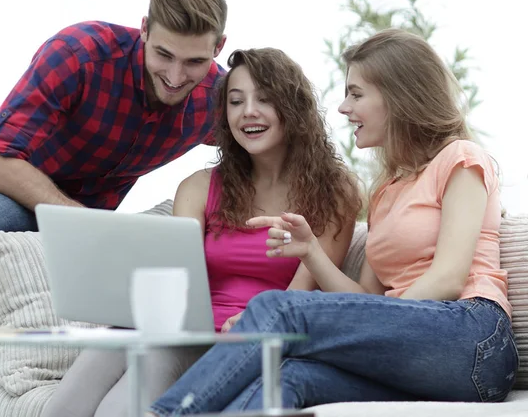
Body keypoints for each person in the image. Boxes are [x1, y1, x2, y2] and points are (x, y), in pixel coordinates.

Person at [147, 29, 519, 415]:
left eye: (356, 94)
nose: (343, 108)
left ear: (398, 95)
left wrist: (368, 322)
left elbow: (449, 278)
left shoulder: (461, 158)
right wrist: (312, 253)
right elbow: (366, 302)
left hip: (472, 338)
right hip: (410, 348)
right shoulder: (385, 191)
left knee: (278, 310)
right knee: (287, 377)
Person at [41, 47, 362, 417]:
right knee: (100, 357)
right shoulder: (198, 187)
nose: (248, 112)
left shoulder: (335, 191)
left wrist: (255, 319)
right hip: (188, 330)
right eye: (236, 101)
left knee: (135, 386)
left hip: (257, 339)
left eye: (264, 99)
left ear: (294, 108)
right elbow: (180, 276)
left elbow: (297, 296)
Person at [0, 0, 228, 260]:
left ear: (218, 47)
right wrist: (83, 221)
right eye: (164, 55)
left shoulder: (219, 99)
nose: (176, 76)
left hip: (62, 221)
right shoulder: (79, 54)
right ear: (145, 29)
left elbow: (265, 148)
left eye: (194, 61)